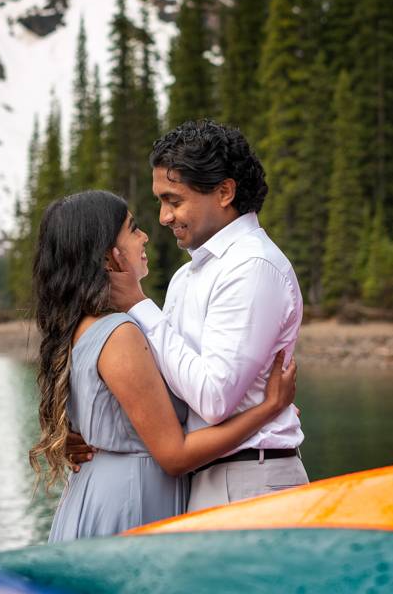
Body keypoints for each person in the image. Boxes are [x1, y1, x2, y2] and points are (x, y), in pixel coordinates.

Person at [31, 189, 296, 541]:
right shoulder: (120, 333)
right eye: (133, 228)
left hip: (109, 492)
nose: (146, 234)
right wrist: (270, 408)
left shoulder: (86, 327)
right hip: (130, 502)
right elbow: (174, 455)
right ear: (110, 257)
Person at [103, 120, 309, 511]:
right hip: (210, 478)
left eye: (173, 200)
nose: (164, 217)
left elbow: (213, 398)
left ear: (224, 192)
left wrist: (138, 305)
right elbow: (171, 386)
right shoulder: (189, 274)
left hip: (250, 483)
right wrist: (101, 440)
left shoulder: (253, 266)